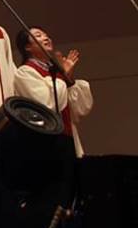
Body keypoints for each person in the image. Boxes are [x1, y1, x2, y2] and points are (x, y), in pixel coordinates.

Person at [14, 27, 93, 156]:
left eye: (46, 35)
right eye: (38, 35)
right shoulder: (25, 72)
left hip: (67, 139)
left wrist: (68, 79)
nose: (46, 38)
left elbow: (80, 110)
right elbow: (46, 104)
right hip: (46, 144)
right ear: (27, 47)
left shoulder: (54, 71)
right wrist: (62, 75)